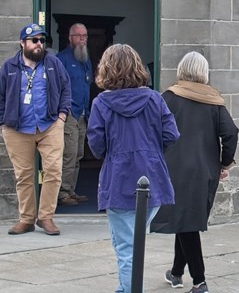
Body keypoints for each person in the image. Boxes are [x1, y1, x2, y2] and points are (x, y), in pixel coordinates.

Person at [87, 44, 179, 293]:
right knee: (128, 243)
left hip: (118, 179)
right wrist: (151, 151)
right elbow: (171, 134)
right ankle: (124, 287)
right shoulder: (154, 98)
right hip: (153, 177)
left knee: (127, 247)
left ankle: (128, 289)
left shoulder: (101, 103)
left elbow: (96, 145)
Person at [151, 52, 238, 293]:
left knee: (186, 222)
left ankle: (200, 282)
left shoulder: (168, 98)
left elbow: (153, 130)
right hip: (205, 171)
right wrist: (224, 163)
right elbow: (230, 133)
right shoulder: (214, 100)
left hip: (175, 169)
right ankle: (177, 273)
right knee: (186, 220)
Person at [0, 23, 71, 236]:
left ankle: (45, 217)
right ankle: (26, 219)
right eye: (34, 40)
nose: (39, 44)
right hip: (17, 128)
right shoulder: (9, 67)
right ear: (22, 43)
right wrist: (3, 123)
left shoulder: (53, 63)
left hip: (49, 125)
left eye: (42, 41)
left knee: (53, 171)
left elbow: (66, 88)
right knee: (24, 175)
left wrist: (62, 116)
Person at [56, 23, 93, 207]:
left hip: (83, 114)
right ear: (70, 37)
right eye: (79, 36)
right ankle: (62, 193)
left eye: (85, 36)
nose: (82, 39)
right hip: (69, 113)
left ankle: (71, 190)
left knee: (78, 154)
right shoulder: (61, 59)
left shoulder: (85, 59)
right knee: (68, 154)